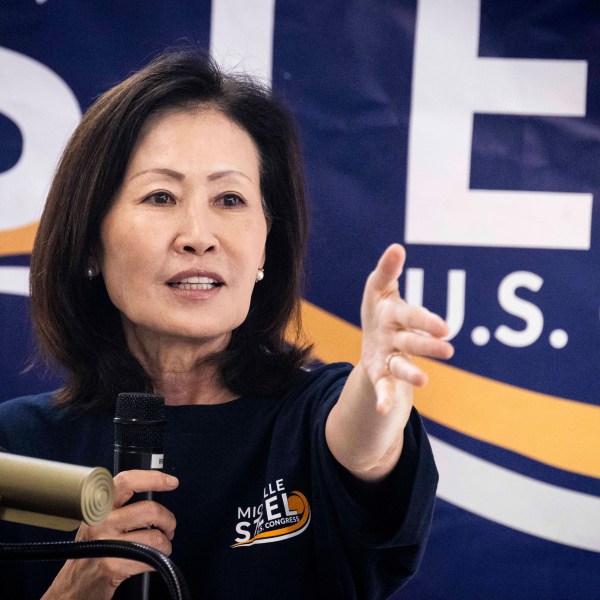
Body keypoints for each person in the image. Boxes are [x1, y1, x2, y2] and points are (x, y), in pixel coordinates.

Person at [0, 49, 453, 599]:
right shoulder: (15, 453)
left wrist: (379, 395)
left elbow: (363, 443)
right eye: (161, 196)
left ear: (267, 243)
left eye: (230, 199)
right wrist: (78, 585)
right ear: (91, 240)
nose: (198, 234)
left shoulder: (310, 416)